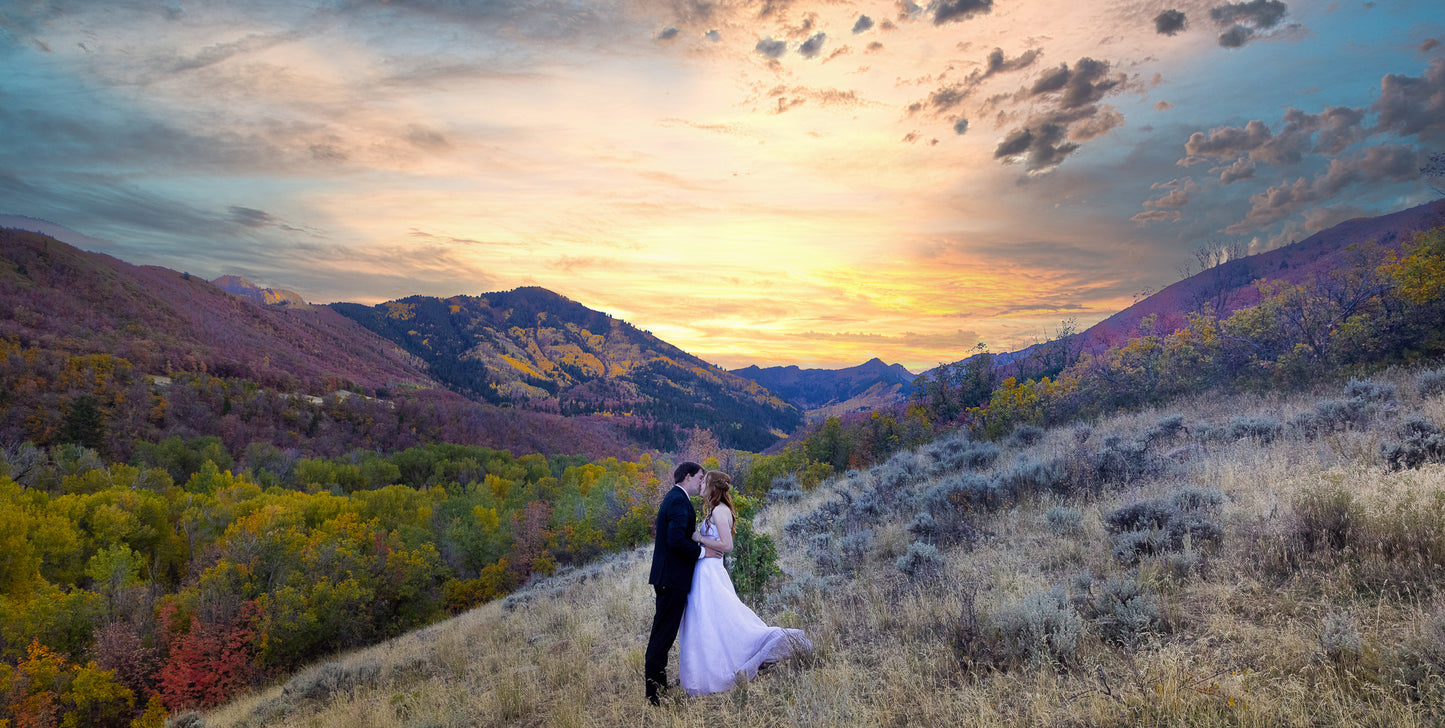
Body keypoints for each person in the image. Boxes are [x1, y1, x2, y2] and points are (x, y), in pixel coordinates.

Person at [677, 470, 812, 696]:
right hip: (704, 571)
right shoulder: (713, 510)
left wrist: (700, 539)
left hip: (711, 572)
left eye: (704, 482)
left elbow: (727, 545)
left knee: (721, 617)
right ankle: (705, 668)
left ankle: (745, 655)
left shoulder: (720, 512)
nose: (700, 485)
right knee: (707, 620)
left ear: (712, 487)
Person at [645, 461, 705, 706]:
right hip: (671, 578)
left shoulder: (674, 497)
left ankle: (657, 683)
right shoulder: (679, 501)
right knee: (663, 635)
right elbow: (675, 540)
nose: (702, 482)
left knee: (663, 633)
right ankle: (654, 693)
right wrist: (702, 552)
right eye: (700, 477)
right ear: (688, 477)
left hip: (668, 577)